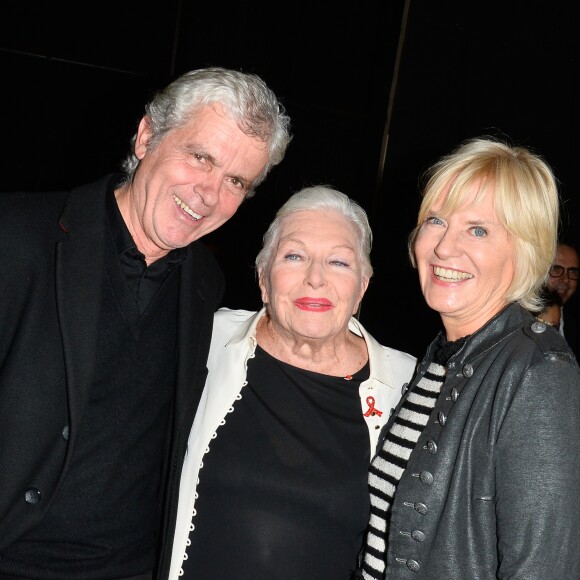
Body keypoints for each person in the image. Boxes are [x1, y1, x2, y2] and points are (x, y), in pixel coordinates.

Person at [0, 66, 291, 580]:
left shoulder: (207, 282)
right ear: (147, 136)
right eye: (201, 157)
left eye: (235, 181)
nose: (208, 193)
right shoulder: (17, 237)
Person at [357, 137, 580, 579]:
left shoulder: (539, 371)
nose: (443, 248)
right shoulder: (441, 358)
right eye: (435, 221)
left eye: (477, 229)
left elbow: (543, 568)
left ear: (524, 250)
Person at [168, 185, 418, 579]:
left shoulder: (409, 386)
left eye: (338, 262)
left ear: (362, 289)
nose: (315, 278)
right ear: (264, 278)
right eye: (295, 256)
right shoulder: (204, 341)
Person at [546, 242, 580, 355]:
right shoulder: (517, 318)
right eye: (556, 269)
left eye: (573, 272)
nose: (565, 280)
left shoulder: (574, 317)